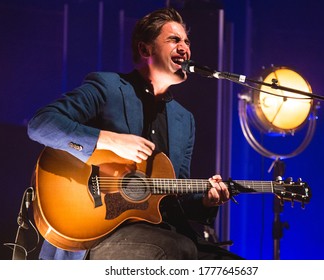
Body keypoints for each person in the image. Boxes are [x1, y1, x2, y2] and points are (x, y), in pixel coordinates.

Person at [28, 7, 243, 260]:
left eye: (187, 41)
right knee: (176, 247)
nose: (185, 47)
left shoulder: (185, 120)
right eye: (174, 40)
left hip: (160, 233)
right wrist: (110, 141)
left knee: (233, 264)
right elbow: (41, 124)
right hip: (99, 236)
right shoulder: (108, 88)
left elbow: (174, 197)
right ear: (145, 50)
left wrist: (206, 201)